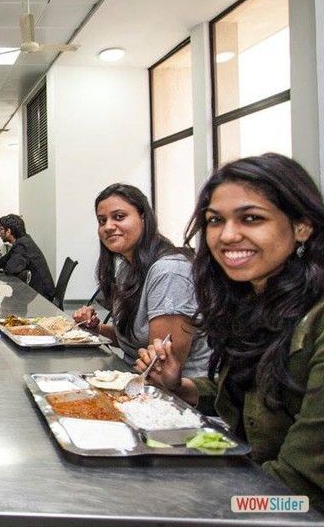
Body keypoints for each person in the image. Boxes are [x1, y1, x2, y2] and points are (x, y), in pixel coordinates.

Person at [136, 154, 324, 510]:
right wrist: (181, 387)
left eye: (251, 218)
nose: (227, 235)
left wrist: (199, 504)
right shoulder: (253, 300)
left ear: (302, 226)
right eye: (215, 220)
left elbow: (297, 493)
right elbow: (250, 391)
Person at [72, 184, 210, 375]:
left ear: (143, 217)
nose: (108, 226)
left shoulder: (168, 271)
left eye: (119, 217)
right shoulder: (128, 268)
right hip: (134, 375)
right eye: (102, 220)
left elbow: (159, 367)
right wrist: (96, 329)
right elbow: (132, 340)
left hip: (176, 395)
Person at [0, 214, 56, 300]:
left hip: (42, 297)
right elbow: (2, 262)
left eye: (1, 229)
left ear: (8, 231)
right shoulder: (22, 240)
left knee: (8, 305)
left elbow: (11, 269)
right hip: (35, 292)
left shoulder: (22, 245)